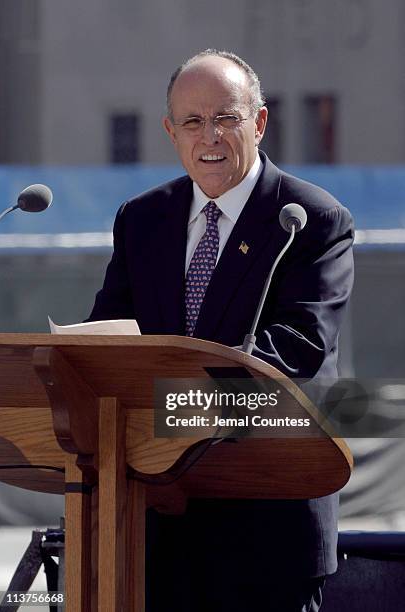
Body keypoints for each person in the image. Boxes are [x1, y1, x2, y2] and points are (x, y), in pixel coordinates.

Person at [87, 49, 354, 611]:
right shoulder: (142, 219)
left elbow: (300, 358)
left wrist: (166, 403)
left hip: (266, 534)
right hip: (155, 526)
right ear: (170, 131)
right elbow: (108, 337)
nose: (208, 136)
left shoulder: (309, 219)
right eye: (191, 121)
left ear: (258, 122)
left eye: (225, 118)